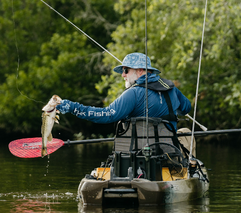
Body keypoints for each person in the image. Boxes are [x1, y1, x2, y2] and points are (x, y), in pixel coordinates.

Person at [56, 52, 195, 157]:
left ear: (140, 70)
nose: (123, 75)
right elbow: (186, 108)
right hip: (168, 153)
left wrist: (73, 107)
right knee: (186, 133)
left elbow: (106, 115)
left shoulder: (133, 93)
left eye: (126, 70)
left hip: (136, 155)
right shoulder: (171, 89)